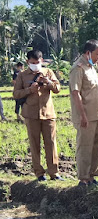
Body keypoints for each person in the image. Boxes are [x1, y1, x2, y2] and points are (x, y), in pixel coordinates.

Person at [13, 50, 62, 181]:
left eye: (38, 62)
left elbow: (58, 89)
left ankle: (54, 172)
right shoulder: (22, 76)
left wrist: (49, 83)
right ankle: (39, 173)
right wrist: (29, 90)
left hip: (48, 114)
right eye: (32, 63)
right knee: (35, 144)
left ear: (42, 61)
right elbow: (16, 94)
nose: (35, 65)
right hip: (31, 114)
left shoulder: (48, 72)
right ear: (27, 62)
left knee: (51, 143)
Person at [70, 40, 98, 186]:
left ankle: (92, 175)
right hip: (85, 116)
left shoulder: (91, 67)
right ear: (88, 53)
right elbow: (75, 93)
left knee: (95, 146)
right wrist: (82, 115)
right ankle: (83, 177)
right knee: (85, 146)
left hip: (95, 115)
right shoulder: (78, 68)